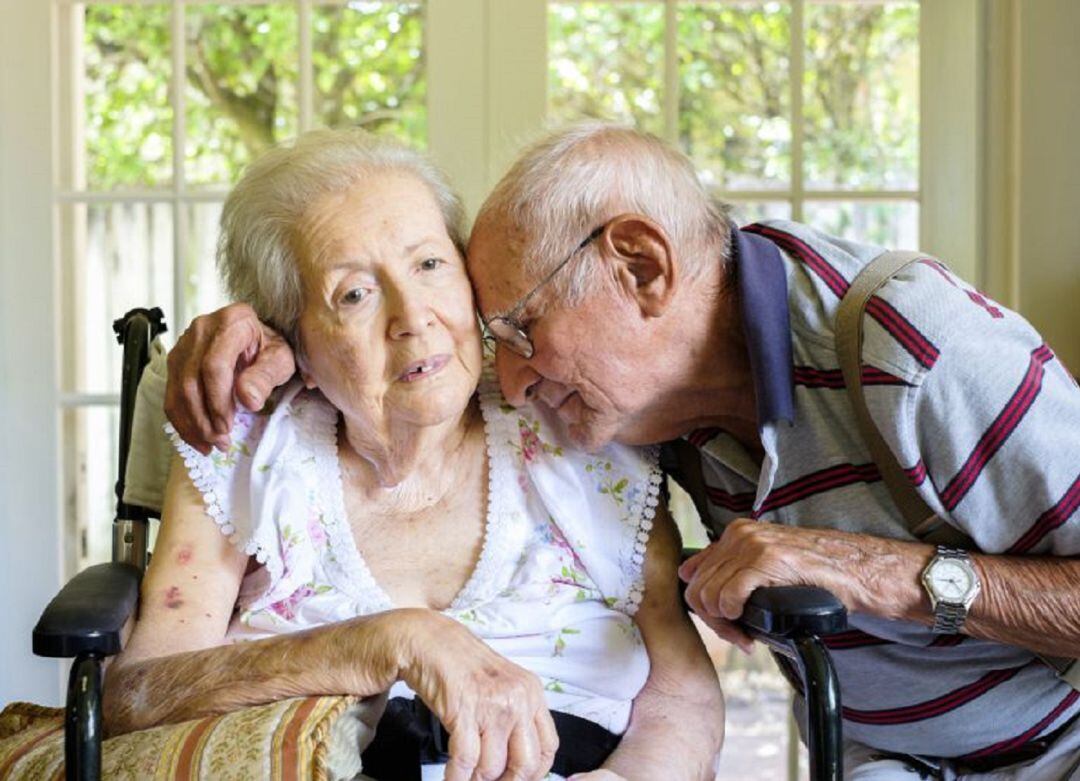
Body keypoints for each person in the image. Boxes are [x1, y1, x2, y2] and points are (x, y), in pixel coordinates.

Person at [169, 122, 1080, 780]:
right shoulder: (645, 400)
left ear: (642, 268)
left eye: (521, 329)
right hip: (885, 758)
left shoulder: (919, 355)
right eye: (496, 336)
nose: (509, 380)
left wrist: (871, 570)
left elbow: (679, 697)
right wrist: (263, 333)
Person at [105, 128, 724, 781]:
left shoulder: (573, 425)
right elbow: (135, 696)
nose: (413, 316)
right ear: (297, 346)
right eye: (354, 294)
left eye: (429, 265)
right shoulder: (248, 449)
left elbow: (682, 694)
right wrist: (387, 641)